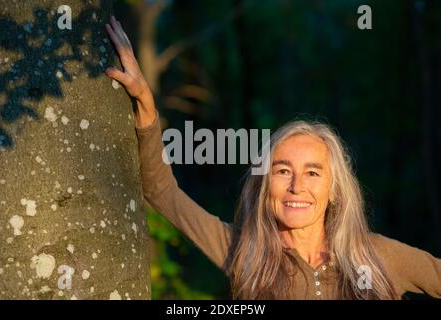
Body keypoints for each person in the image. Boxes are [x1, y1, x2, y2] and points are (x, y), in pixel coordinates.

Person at [104, 16, 441, 299]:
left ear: (334, 189)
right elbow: (162, 191)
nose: (297, 186)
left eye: (312, 173)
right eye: (282, 171)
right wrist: (146, 106)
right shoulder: (244, 252)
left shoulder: (377, 256)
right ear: (266, 185)